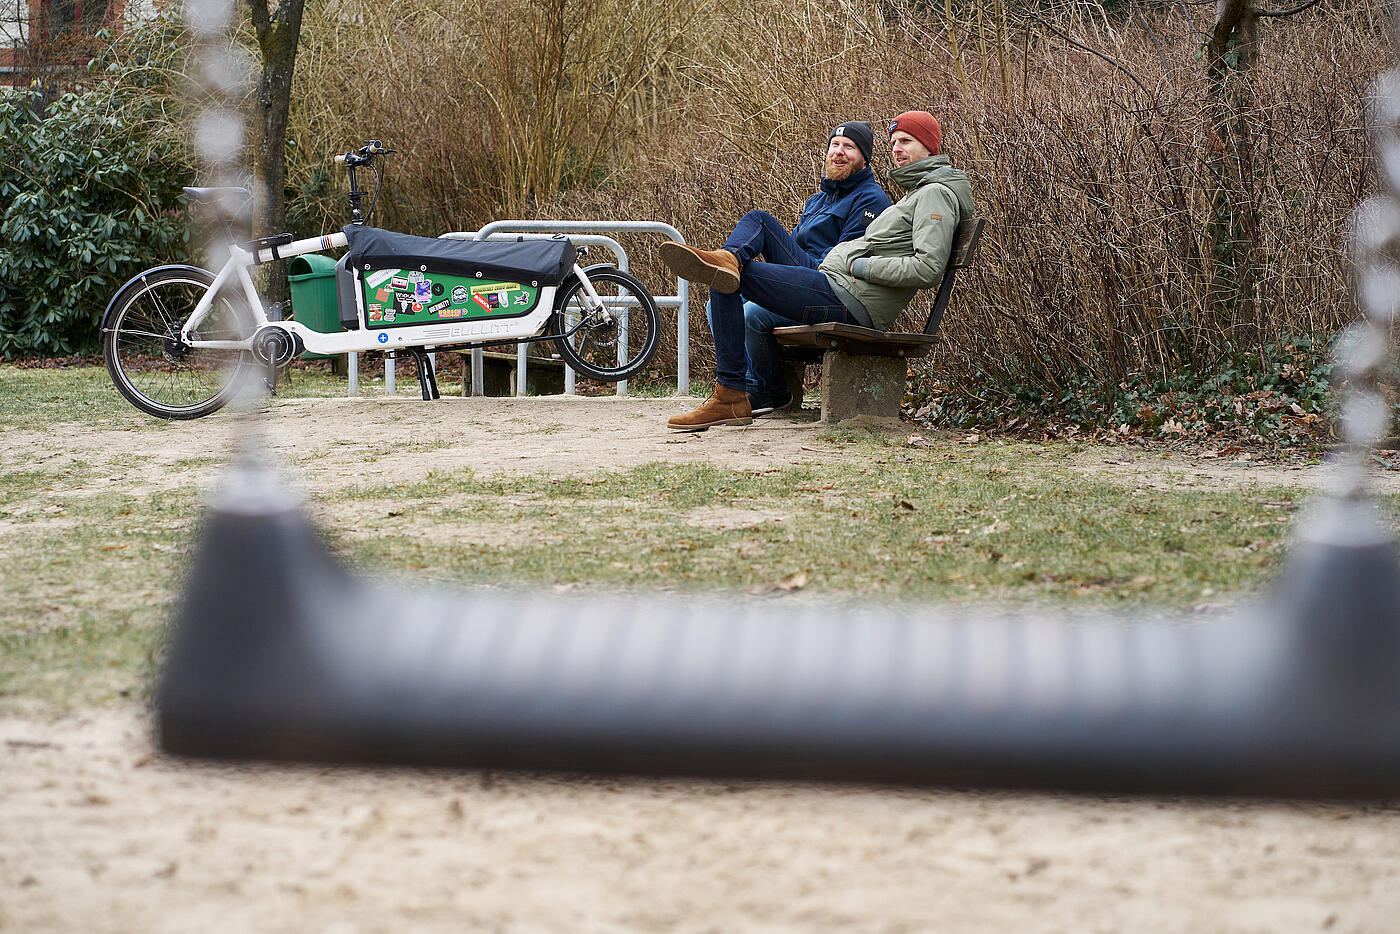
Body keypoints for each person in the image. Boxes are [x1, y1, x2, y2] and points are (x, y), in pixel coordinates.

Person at [661, 110, 976, 432]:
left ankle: (731, 395)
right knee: (725, 268)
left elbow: (928, 269)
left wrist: (858, 265)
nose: (896, 148)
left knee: (724, 273)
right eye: (894, 142)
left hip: (850, 298)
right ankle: (731, 391)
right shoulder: (919, 193)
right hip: (839, 287)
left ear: (930, 147)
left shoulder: (934, 194)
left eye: (906, 141)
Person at [709, 121, 892, 417]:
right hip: (801, 277)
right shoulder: (817, 200)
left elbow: (845, 259)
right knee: (717, 298)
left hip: (826, 281)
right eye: (835, 145)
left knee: (760, 223)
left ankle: (765, 391)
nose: (839, 152)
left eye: (849, 147)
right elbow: (791, 246)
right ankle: (760, 389)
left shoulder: (870, 199)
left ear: (865, 158)